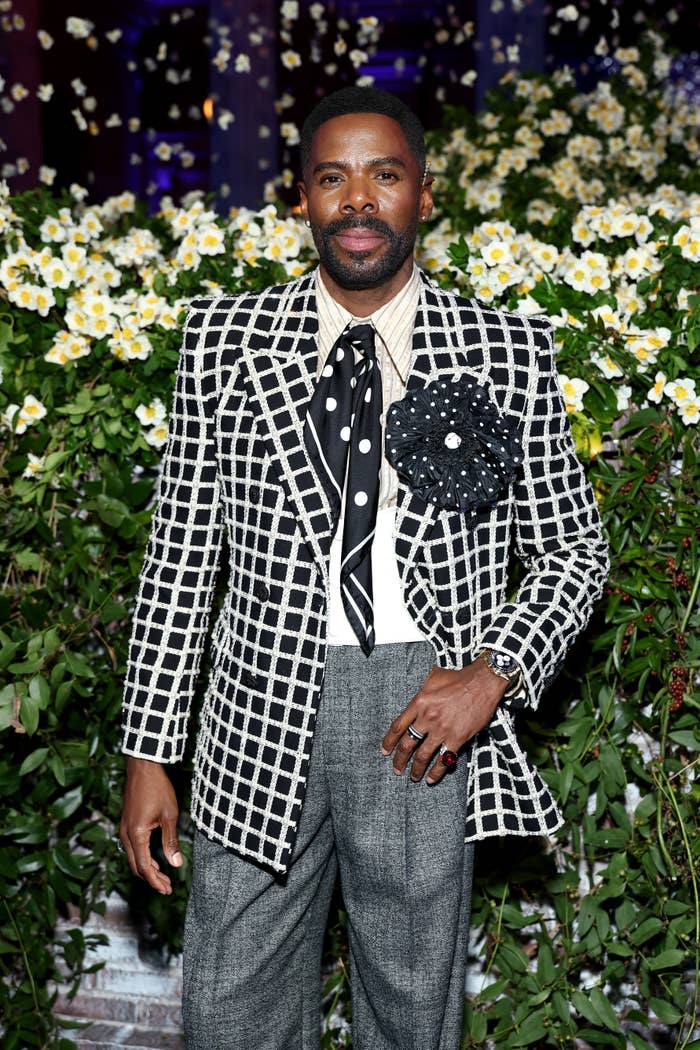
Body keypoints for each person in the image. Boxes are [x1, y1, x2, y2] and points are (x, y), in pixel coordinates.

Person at [120, 87, 609, 1050]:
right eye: (332, 177)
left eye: (383, 175)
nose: (358, 200)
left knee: (412, 1006)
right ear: (299, 199)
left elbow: (573, 551)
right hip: (257, 697)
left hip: (422, 711)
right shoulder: (223, 341)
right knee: (230, 1005)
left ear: (424, 195)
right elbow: (180, 552)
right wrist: (148, 752)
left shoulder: (506, 349)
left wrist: (492, 672)